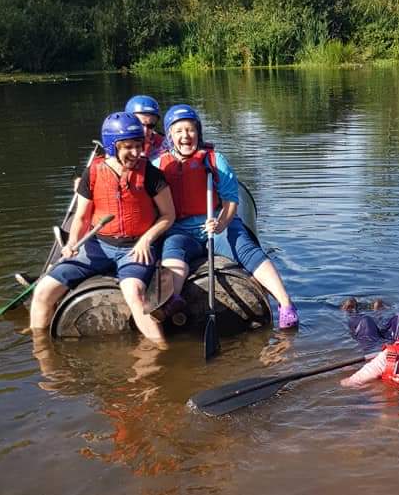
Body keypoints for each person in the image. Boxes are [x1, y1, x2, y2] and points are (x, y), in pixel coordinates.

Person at [29, 112, 175, 343]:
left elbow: (168, 215)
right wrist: (71, 244)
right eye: (129, 147)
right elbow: (81, 217)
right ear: (112, 146)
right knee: (43, 291)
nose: (137, 153)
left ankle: (162, 354)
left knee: (135, 294)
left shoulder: (152, 174)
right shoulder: (94, 172)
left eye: (139, 145)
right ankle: (40, 347)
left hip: (135, 248)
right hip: (97, 246)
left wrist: (146, 239)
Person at [152, 103, 299, 329]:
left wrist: (221, 223)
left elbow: (231, 200)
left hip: (217, 225)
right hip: (180, 229)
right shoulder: (158, 165)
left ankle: (286, 304)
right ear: (170, 135)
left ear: (198, 132)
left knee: (246, 249)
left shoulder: (214, 160)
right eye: (179, 131)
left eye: (190, 130)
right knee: (172, 252)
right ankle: (174, 301)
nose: (185, 136)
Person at [125, 95, 165, 160]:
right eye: (140, 125)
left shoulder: (164, 144)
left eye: (150, 126)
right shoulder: (118, 144)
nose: (145, 131)